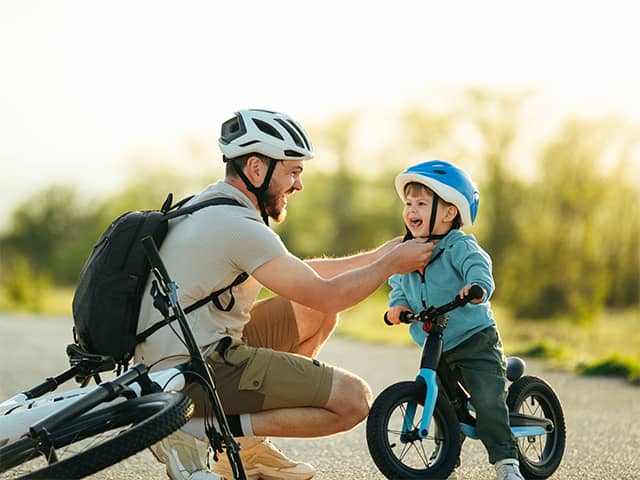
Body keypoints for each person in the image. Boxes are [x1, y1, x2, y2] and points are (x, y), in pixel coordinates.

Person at [135, 109, 435, 480]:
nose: (298, 185)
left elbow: (305, 280)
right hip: (195, 372)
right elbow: (327, 293)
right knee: (354, 402)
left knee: (314, 314)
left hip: (169, 361)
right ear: (257, 169)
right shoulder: (240, 226)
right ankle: (200, 429)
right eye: (293, 172)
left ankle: (245, 452)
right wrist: (389, 266)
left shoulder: (211, 204)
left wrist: (382, 255)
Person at [385, 160, 524, 480]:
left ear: (449, 212)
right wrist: (397, 307)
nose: (411, 210)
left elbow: (479, 267)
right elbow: (398, 285)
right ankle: (445, 455)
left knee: (488, 399)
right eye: (408, 204)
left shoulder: (459, 246)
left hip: (474, 338)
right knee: (442, 404)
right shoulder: (406, 251)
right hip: (434, 340)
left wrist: (477, 288)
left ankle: (506, 460)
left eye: (421, 203)